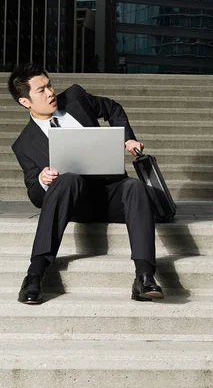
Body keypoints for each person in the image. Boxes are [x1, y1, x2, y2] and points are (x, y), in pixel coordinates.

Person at [8, 62, 164, 304]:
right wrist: (42, 180)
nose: (50, 93)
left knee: (135, 187)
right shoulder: (24, 144)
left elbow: (112, 108)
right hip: (76, 202)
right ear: (25, 101)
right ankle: (35, 275)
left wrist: (128, 139)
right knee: (66, 179)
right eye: (41, 90)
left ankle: (144, 276)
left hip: (111, 193)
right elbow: (36, 197)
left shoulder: (74, 98)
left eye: (50, 86)